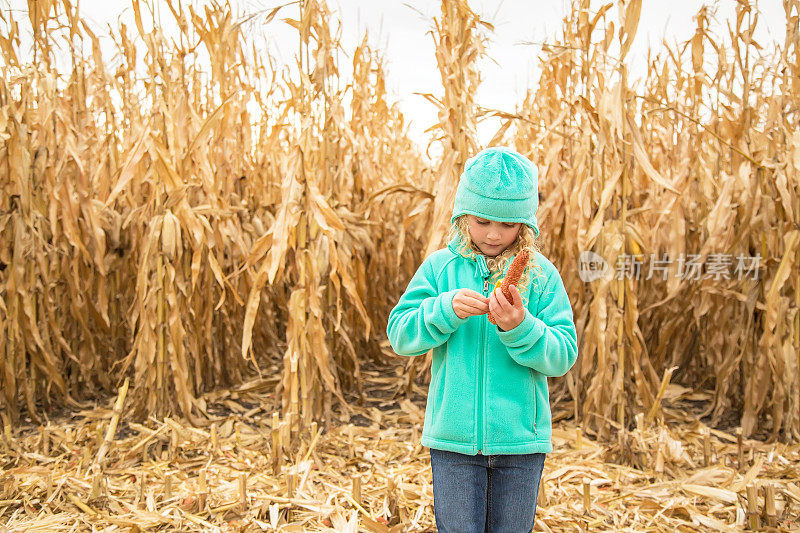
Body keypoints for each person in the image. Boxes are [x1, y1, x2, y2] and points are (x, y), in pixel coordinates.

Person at [386, 146, 579, 532]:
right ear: (462, 215)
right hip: (453, 444)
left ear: (525, 223)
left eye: (508, 225)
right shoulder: (440, 268)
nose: (494, 234)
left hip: (520, 445)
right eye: (482, 220)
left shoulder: (540, 276)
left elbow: (563, 356)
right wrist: (442, 310)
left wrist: (521, 327)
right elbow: (400, 335)